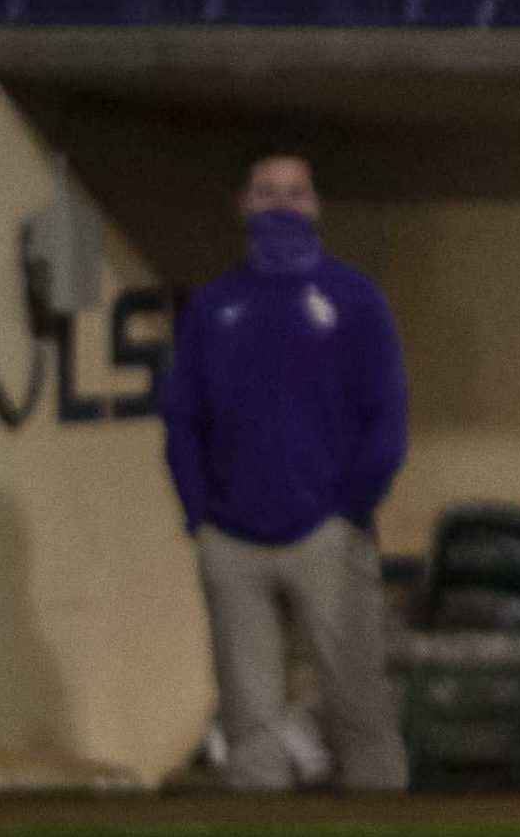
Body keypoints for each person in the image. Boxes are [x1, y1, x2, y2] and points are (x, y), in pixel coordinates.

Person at [162, 154, 409, 792]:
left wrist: (352, 506)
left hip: (327, 532)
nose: (281, 204)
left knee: (360, 706)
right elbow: (183, 417)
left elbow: (387, 415)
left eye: (295, 192)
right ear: (243, 204)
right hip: (231, 536)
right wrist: (200, 512)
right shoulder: (213, 307)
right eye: (267, 191)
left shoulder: (354, 299)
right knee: (250, 718)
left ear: (315, 206)